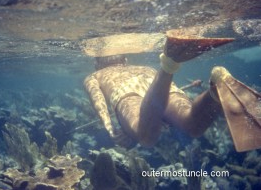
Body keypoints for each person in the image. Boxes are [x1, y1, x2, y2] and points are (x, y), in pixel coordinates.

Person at [84, 30, 261, 152]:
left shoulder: (96, 75)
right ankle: (215, 87)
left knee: (146, 138)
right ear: (126, 59)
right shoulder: (144, 67)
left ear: (96, 62)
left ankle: (169, 64)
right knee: (192, 125)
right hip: (156, 81)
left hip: (125, 93)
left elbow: (98, 101)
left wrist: (111, 129)